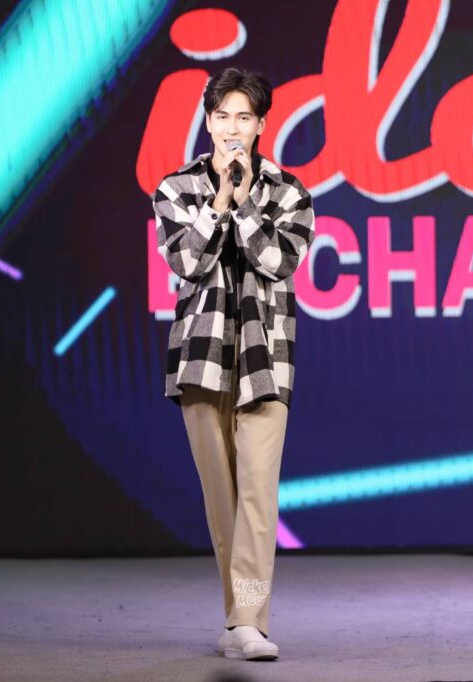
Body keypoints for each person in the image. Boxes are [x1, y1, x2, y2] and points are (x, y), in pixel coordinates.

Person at [153, 67, 315, 661]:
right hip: (201, 360)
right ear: (208, 120)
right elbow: (188, 263)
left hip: (265, 359)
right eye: (222, 116)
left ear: (261, 125)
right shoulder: (175, 188)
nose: (232, 127)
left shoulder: (290, 193)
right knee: (223, 501)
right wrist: (219, 197)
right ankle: (238, 620)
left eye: (244, 117)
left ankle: (249, 620)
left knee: (257, 494)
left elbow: (276, 261)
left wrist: (243, 199)